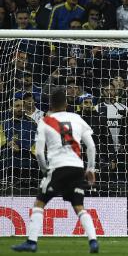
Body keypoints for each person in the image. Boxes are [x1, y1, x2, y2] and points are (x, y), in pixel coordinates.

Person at [11, 87, 99, 253]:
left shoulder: (45, 121)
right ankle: (93, 241)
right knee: (79, 206)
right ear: (66, 103)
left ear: (50, 105)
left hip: (57, 168)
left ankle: (31, 242)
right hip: (77, 168)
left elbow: (38, 152)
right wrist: (91, 169)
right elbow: (92, 146)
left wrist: (45, 170)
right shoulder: (76, 118)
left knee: (39, 203)